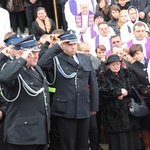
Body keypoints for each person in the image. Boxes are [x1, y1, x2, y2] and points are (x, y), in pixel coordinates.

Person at [38, 30, 99, 150]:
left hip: (83, 107)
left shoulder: (84, 58)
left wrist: (93, 106)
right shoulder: (57, 58)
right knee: (67, 144)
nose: (73, 46)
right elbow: (41, 64)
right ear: (63, 45)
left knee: (82, 144)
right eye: (69, 44)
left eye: (74, 44)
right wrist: (57, 47)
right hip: (65, 109)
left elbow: (93, 83)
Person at [0, 35, 50, 150]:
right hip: (22, 134)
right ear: (21, 54)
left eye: (37, 52)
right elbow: (5, 78)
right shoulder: (13, 69)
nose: (36, 56)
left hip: (40, 131)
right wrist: (21, 59)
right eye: (32, 53)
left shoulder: (35, 68)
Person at [98, 54, 149, 150]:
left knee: (132, 138)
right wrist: (117, 92)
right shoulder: (103, 75)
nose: (116, 66)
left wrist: (126, 92)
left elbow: (135, 86)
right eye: (113, 65)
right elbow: (101, 89)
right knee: (118, 140)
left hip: (129, 111)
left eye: (117, 64)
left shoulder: (127, 73)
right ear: (108, 66)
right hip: (113, 113)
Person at [129, 44, 150, 150]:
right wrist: (146, 91)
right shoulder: (132, 67)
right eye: (134, 55)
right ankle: (147, 146)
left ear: (142, 51)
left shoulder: (149, 62)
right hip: (145, 99)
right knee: (145, 125)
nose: (136, 57)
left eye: (137, 53)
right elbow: (135, 83)